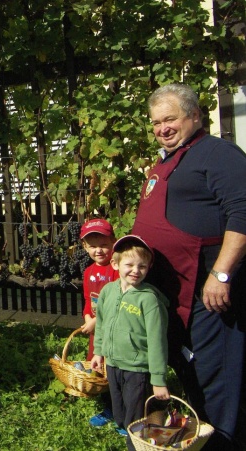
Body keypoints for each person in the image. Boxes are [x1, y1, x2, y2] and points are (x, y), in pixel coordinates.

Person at [131, 83, 246, 450]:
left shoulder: (218, 154)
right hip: (174, 288)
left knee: (218, 376)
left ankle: (225, 442)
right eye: (155, 123)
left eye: (170, 119)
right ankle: (200, 435)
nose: (161, 128)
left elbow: (242, 213)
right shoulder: (169, 159)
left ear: (195, 116)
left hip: (207, 290)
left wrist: (222, 274)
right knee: (191, 370)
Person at [91, 235, 170, 451]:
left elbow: (157, 341)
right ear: (115, 264)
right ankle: (132, 433)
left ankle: (137, 445)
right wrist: (99, 352)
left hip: (137, 368)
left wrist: (158, 379)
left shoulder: (149, 300)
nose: (135, 270)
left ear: (149, 267)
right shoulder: (108, 292)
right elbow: (102, 325)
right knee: (120, 413)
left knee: (134, 418)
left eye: (142, 266)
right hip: (113, 364)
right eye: (129, 264)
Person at [79, 218, 118, 429]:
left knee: (115, 369)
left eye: (103, 245)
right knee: (98, 368)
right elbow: (88, 300)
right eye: (93, 246)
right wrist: (87, 317)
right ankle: (108, 407)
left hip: (114, 329)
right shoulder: (89, 272)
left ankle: (122, 410)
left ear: (113, 242)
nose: (99, 250)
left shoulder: (117, 270)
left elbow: (118, 302)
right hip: (97, 330)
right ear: (85, 247)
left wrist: (96, 321)